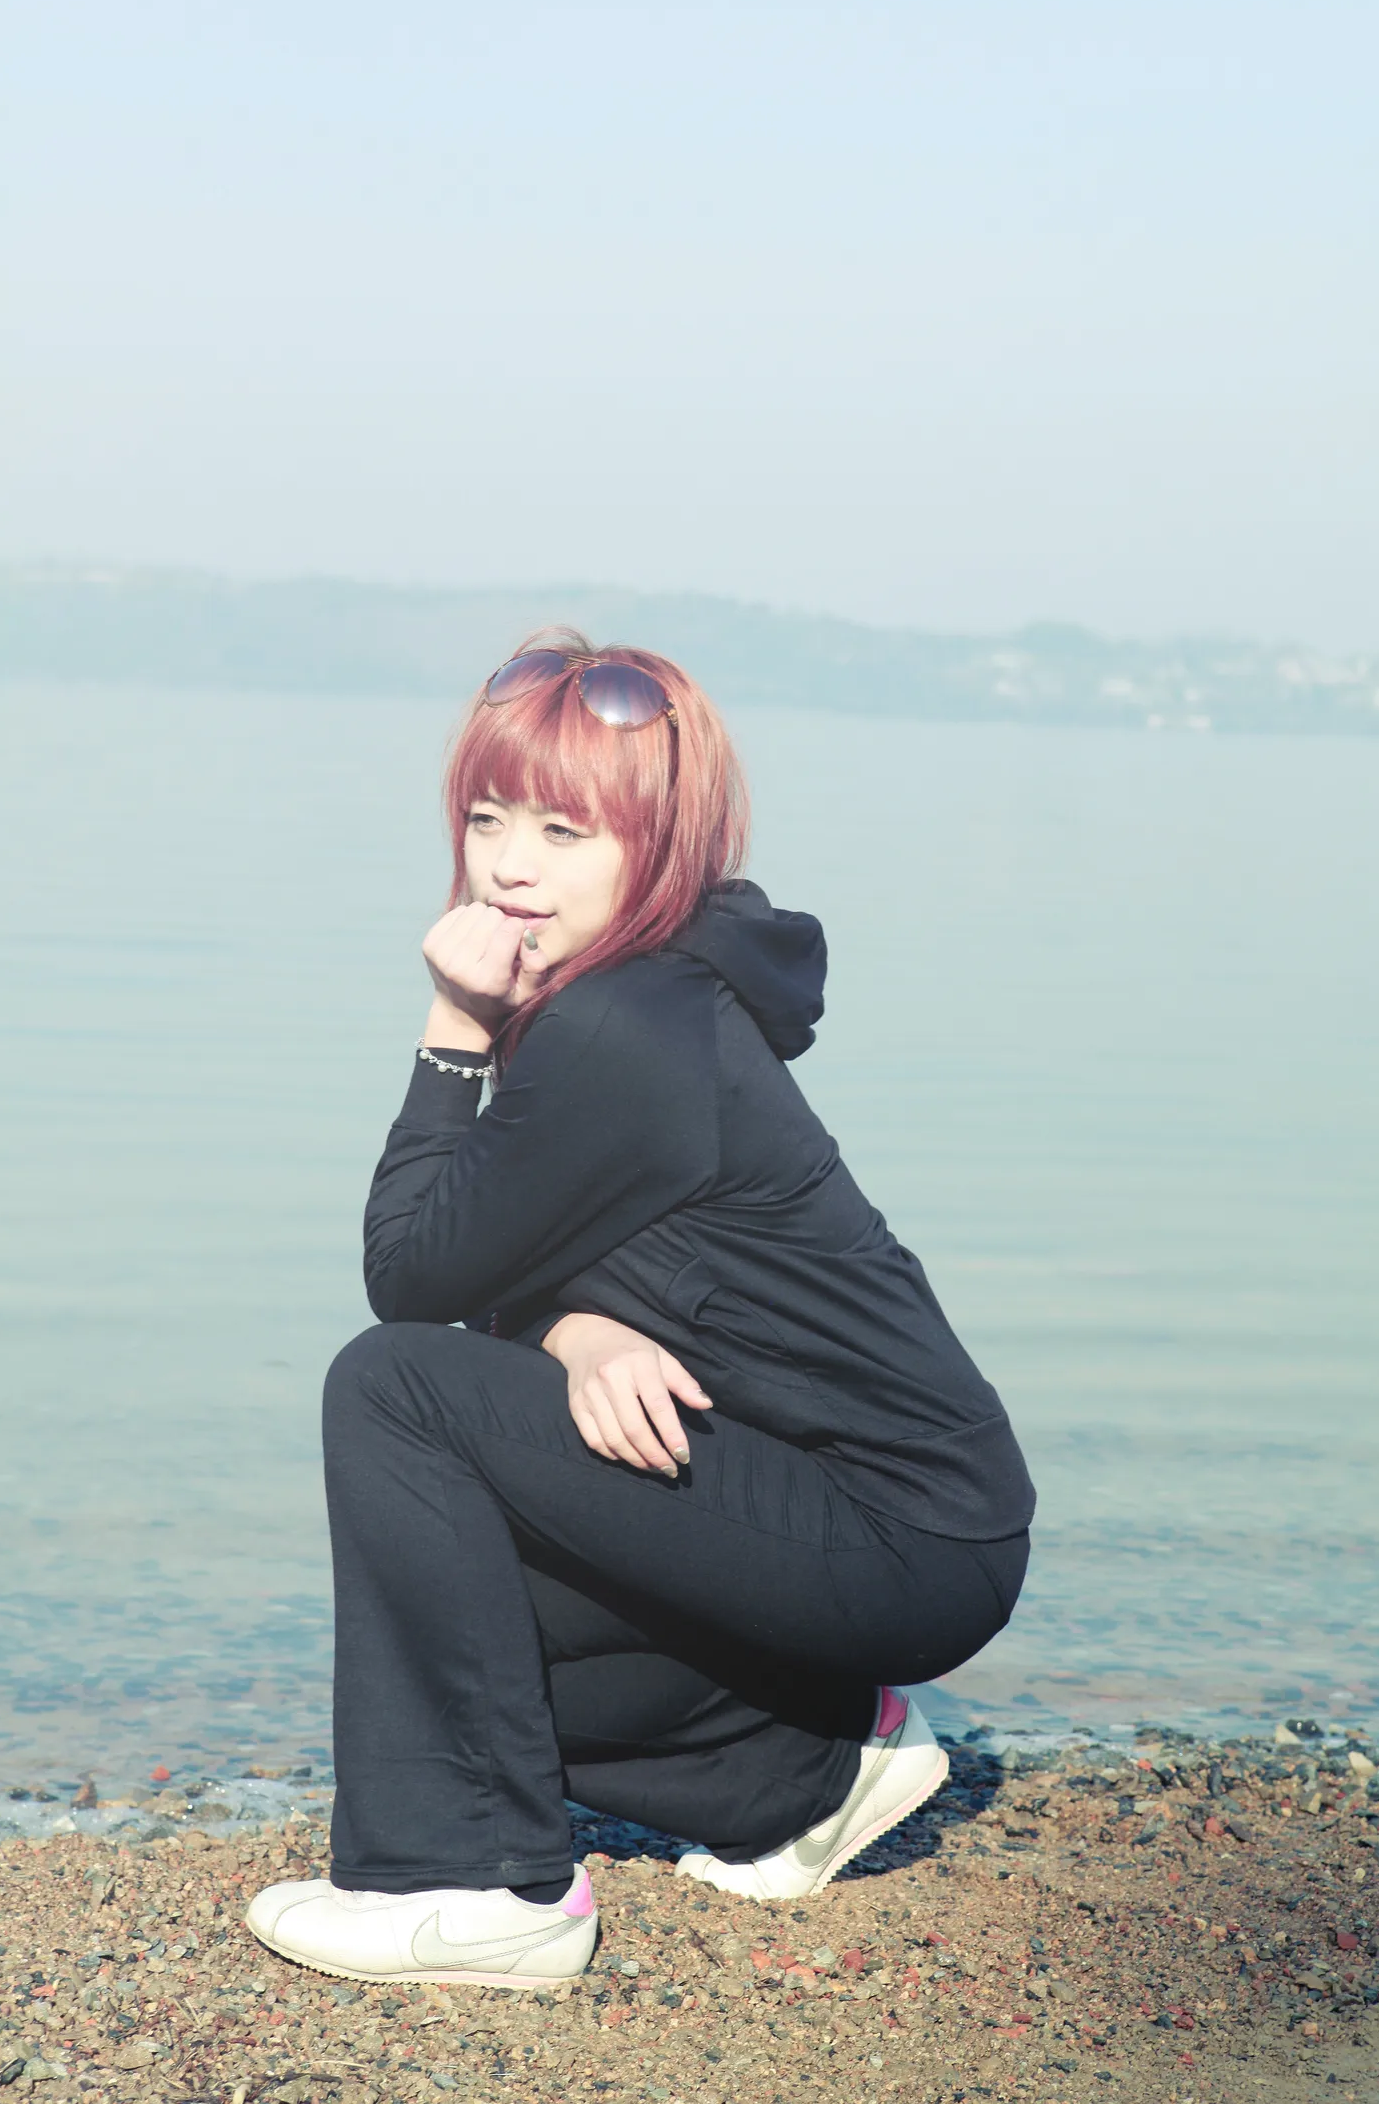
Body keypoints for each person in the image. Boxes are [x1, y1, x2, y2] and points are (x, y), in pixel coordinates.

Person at [245, 632, 1035, 1990]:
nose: (509, 866)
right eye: (489, 818)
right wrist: (576, 1328)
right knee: (462, 1645)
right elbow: (536, 1252)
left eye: (564, 830)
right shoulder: (649, 992)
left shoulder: (623, 1026)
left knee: (391, 1389)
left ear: (656, 843)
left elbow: (414, 1279)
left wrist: (453, 1026)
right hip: (881, 1510)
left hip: (900, 1526)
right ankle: (804, 1772)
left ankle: (478, 1885)